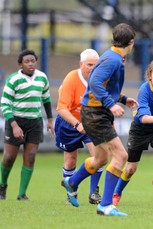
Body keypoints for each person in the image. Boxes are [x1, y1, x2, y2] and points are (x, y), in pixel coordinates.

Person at [61, 23, 138, 216]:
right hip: (96, 114)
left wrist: (122, 99)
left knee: (101, 158)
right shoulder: (113, 59)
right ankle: (105, 205)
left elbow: (103, 84)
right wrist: (111, 104)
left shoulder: (112, 56)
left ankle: (71, 182)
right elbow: (95, 83)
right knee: (121, 156)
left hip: (94, 112)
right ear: (131, 42)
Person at [112, 59, 153, 205]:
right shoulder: (145, 89)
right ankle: (116, 193)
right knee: (130, 169)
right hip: (140, 129)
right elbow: (144, 118)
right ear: (150, 76)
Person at [0, 49, 54, 200]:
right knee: (9, 157)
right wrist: (14, 125)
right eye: (27, 61)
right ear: (20, 64)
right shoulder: (13, 79)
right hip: (16, 120)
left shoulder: (42, 78)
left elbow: (46, 99)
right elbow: (4, 105)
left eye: (33, 61)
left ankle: (22, 194)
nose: (30, 64)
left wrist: (50, 120)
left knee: (30, 157)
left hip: (35, 122)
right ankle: (2, 186)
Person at [55, 48, 103, 205]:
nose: (92, 68)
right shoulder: (71, 78)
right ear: (81, 64)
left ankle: (93, 192)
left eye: (95, 65)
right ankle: (71, 192)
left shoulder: (100, 78)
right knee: (70, 160)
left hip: (90, 121)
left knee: (99, 155)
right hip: (69, 122)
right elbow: (62, 108)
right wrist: (77, 124)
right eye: (89, 65)